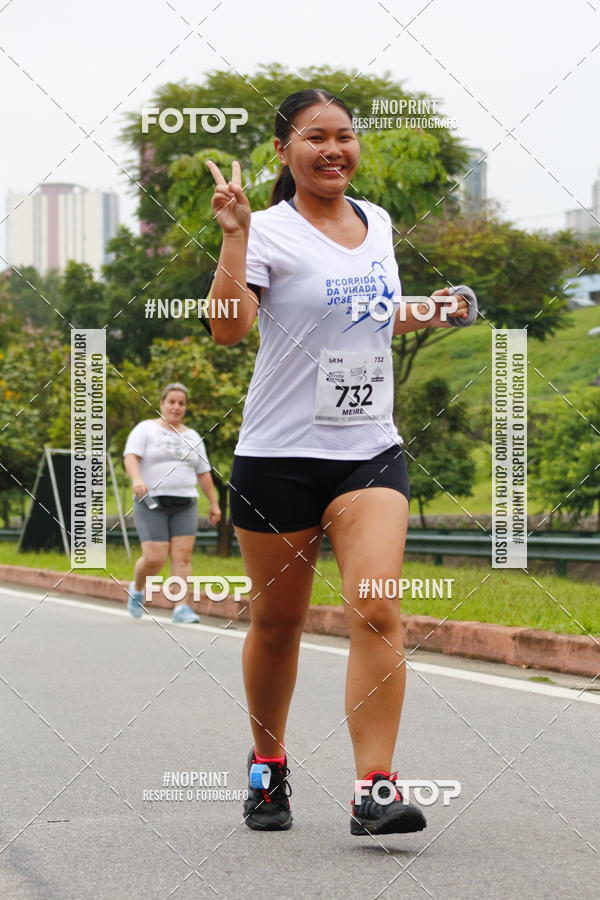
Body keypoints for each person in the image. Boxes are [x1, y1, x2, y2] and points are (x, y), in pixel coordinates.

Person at [206, 89, 473, 835]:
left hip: (368, 453)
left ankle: (375, 788)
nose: (334, 149)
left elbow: (375, 309)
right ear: (284, 153)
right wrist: (233, 238)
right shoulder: (266, 231)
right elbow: (229, 332)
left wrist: (433, 306)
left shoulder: (377, 221)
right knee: (277, 624)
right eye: (315, 137)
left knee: (379, 606)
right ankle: (267, 764)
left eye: (345, 136)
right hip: (278, 457)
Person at [123, 382, 221, 624]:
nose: (176, 407)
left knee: (182, 558)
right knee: (155, 558)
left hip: (185, 503)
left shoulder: (193, 437)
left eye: (181, 403)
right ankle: (137, 588)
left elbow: (204, 473)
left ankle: (181, 608)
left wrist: (214, 503)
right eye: (172, 402)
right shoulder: (145, 429)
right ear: (162, 404)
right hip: (151, 501)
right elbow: (131, 457)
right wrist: (137, 479)